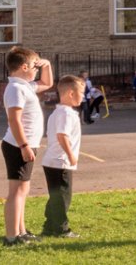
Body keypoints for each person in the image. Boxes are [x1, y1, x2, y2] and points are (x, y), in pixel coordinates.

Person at [0, 46, 54, 246]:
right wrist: (23, 145)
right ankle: (12, 236)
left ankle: (21, 231)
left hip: (26, 144)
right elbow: (14, 120)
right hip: (18, 145)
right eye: (34, 67)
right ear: (24, 67)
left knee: (23, 189)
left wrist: (46, 65)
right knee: (16, 191)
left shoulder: (26, 86)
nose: (36, 70)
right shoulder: (16, 89)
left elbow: (47, 83)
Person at [41, 75, 86, 239]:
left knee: (56, 196)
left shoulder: (58, 112)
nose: (83, 96)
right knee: (63, 196)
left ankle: (49, 226)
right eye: (81, 93)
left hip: (52, 161)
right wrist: (71, 154)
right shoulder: (66, 114)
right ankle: (61, 229)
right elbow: (62, 135)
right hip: (60, 161)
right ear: (71, 93)